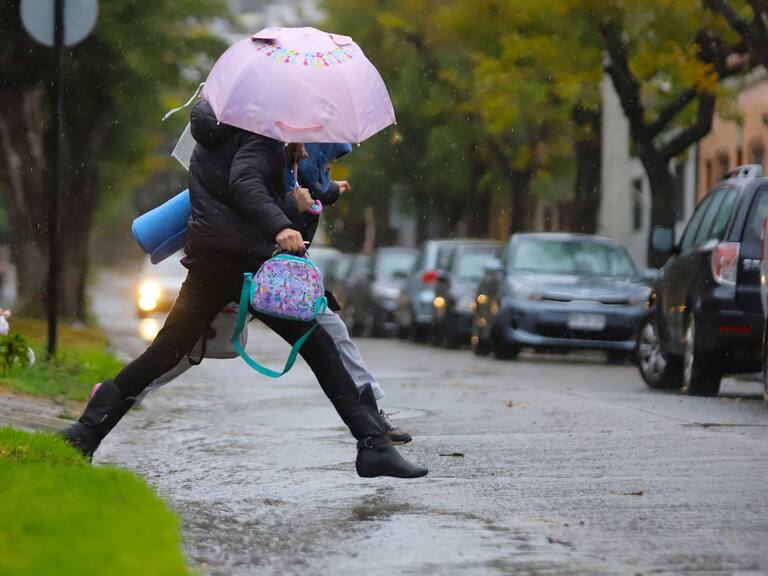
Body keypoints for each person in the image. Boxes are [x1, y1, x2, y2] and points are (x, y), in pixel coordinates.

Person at [59, 100, 427, 479]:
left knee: (164, 353)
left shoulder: (219, 133)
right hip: (247, 263)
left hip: (210, 263)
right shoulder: (256, 134)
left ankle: (85, 434)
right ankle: (372, 446)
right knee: (319, 347)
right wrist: (280, 223)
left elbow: (227, 190)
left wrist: (286, 160)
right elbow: (245, 186)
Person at [287, 143, 412, 444]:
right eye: (327, 158)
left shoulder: (297, 173)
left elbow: (316, 192)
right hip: (271, 276)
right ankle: (371, 427)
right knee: (332, 344)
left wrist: (331, 190)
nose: (329, 164)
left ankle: (371, 424)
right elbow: (258, 204)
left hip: (287, 274)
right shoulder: (274, 166)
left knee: (333, 341)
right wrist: (294, 206)